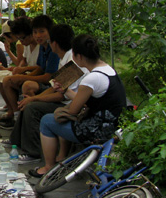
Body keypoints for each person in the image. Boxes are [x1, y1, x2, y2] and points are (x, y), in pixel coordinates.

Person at [28, 34, 127, 178]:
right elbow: (86, 101)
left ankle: (48, 167)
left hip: (98, 130)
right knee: (59, 115)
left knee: (47, 121)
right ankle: (62, 157)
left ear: (79, 56)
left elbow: (74, 109)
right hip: (112, 123)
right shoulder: (106, 69)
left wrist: (64, 94)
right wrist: (66, 90)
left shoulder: (91, 79)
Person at [9, 24, 84, 163]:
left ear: (54, 43)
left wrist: (34, 100)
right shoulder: (65, 58)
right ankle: (16, 141)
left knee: (32, 107)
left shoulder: (71, 60)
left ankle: (34, 152)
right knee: (28, 101)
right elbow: (54, 87)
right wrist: (33, 98)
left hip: (69, 104)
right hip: (63, 99)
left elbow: (60, 95)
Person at [0, 15, 60, 129]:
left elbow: (48, 77)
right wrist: (21, 75)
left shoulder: (55, 49)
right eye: (35, 32)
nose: (38, 35)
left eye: (41, 31)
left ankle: (28, 122)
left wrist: (24, 77)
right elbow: (39, 68)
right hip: (52, 84)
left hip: (54, 86)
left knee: (27, 85)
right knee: (7, 80)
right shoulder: (42, 46)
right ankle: (16, 116)